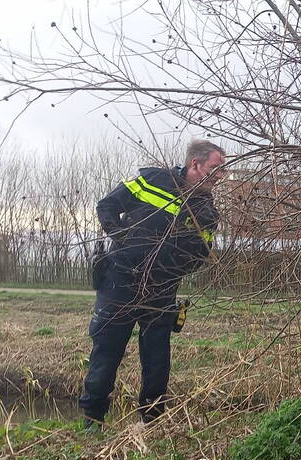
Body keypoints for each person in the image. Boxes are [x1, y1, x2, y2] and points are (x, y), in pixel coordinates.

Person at [79, 140, 226, 431]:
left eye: (223, 170)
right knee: (107, 352)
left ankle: (152, 422)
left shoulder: (206, 211)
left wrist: (173, 266)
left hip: (162, 289)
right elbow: (106, 206)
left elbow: (203, 255)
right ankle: (92, 420)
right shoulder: (151, 181)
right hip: (121, 280)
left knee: (157, 359)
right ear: (195, 164)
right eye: (215, 168)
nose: (221, 176)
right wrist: (123, 239)